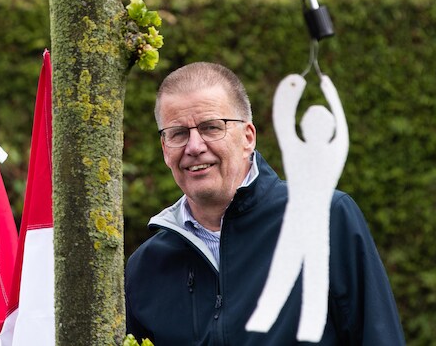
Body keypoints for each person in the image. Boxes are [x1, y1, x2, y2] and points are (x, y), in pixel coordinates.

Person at [125, 62, 404, 344]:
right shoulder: (144, 269)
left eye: (211, 128)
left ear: (248, 138)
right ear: (164, 149)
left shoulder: (326, 216)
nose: (194, 147)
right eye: (178, 134)